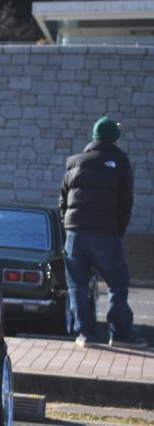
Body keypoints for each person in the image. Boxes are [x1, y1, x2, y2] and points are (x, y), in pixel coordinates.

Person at [60, 116, 146, 348]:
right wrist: (117, 231)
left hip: (74, 234)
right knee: (117, 283)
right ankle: (120, 334)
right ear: (113, 138)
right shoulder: (120, 162)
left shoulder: (74, 162)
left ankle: (85, 334)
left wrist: (68, 225)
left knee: (77, 285)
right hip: (105, 234)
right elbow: (125, 203)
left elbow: (62, 201)